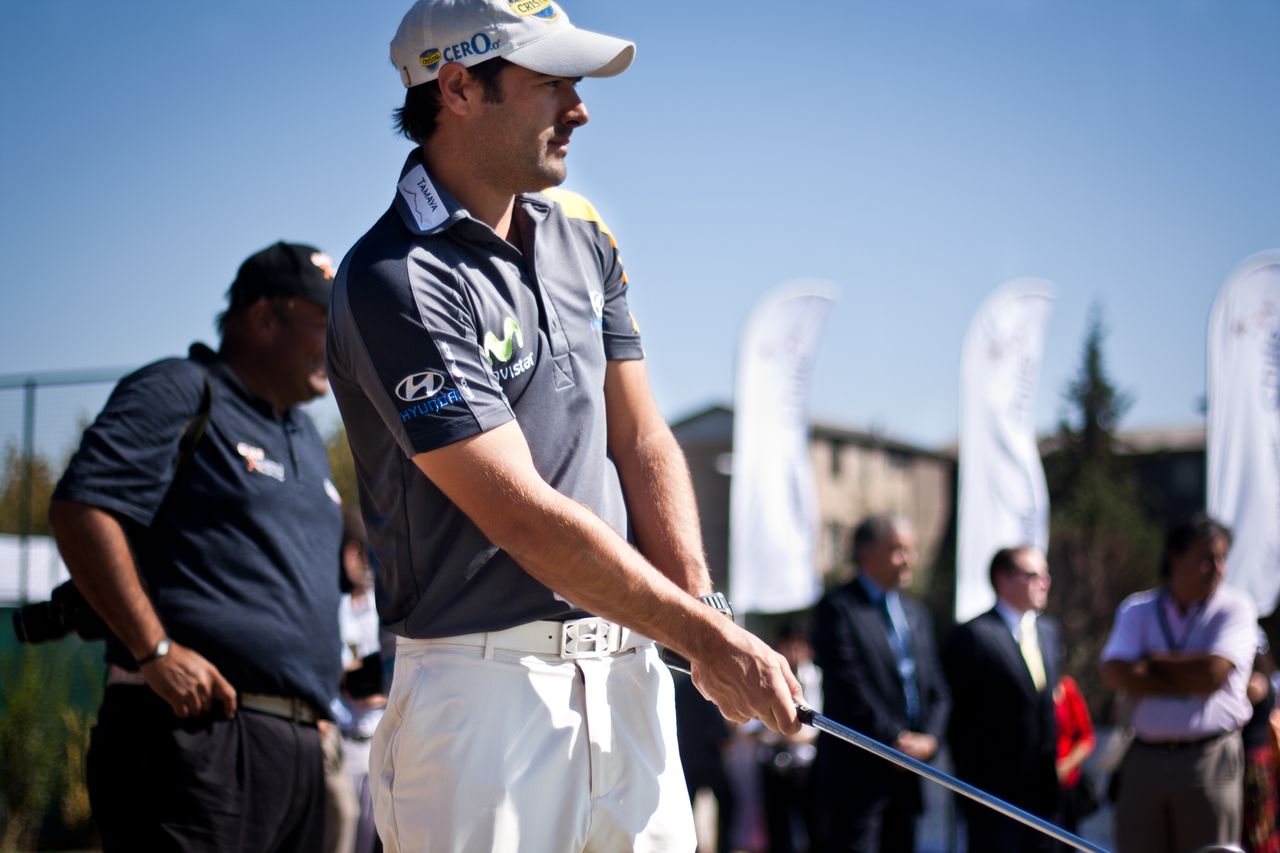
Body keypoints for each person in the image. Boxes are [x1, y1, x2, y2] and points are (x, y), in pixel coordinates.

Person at [324, 1, 804, 850]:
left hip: (630, 669)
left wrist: (702, 612)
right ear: (460, 86)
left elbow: (642, 438)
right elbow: (519, 514)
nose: (580, 110)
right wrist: (704, 637)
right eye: (553, 86)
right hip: (482, 698)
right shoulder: (394, 275)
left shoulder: (584, 233)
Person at [48, 241, 345, 851]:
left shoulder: (307, 438)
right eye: (324, 324)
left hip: (296, 752)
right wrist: (154, 650)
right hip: (195, 736)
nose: (337, 344)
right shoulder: (182, 389)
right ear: (265, 317)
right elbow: (83, 509)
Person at [1101, 514, 1258, 853]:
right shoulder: (1138, 608)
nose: (1217, 567)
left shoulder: (1235, 608)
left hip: (1209, 759)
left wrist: (1150, 664)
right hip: (1144, 758)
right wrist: (1190, 678)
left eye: (1222, 558)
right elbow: (1114, 671)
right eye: (1206, 558)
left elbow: (1213, 675)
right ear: (1176, 558)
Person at [810, 514, 950, 852]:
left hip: (908, 775)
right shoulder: (838, 609)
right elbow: (849, 686)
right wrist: (894, 740)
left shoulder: (917, 614)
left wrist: (929, 738)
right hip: (857, 778)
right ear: (867, 554)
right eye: (898, 550)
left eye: (911, 550)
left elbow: (936, 689)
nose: (909, 560)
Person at [943, 545, 1061, 852]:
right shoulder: (975, 635)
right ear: (1003, 580)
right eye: (1033, 575)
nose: (1044, 582)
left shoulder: (1048, 631)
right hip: (993, 793)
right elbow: (958, 714)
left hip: (1044, 790)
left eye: (1046, 575)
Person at [1053, 674, 1098, 834]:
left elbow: (1087, 738)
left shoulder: (1068, 689)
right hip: (1034, 784)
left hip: (1065, 785)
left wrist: (1064, 767)